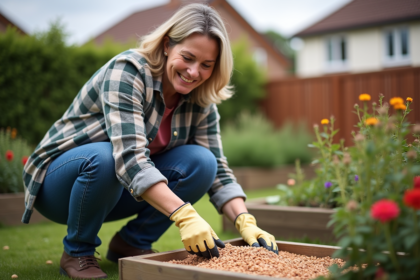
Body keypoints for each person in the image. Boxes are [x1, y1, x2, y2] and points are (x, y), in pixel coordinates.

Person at [22, 3, 278, 279]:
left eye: (206, 65)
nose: (194, 72)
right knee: (107, 156)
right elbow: (129, 158)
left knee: (202, 163)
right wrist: (185, 216)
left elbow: (218, 170)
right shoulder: (128, 71)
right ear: (168, 45)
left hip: (119, 190)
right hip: (60, 187)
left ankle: (131, 243)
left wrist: (245, 221)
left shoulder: (201, 101)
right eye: (188, 58)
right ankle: (77, 252)